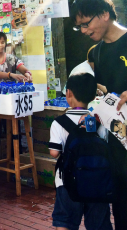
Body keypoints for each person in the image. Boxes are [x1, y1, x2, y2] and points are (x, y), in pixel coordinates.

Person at [71, 0, 127, 229]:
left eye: (86, 23)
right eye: (80, 26)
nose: (84, 31)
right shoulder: (96, 53)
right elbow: (106, 95)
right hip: (117, 140)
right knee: (122, 201)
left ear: (104, 14)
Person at [49, 73, 112, 230]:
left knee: (65, 222)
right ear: (92, 96)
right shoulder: (100, 122)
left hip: (68, 182)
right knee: (99, 225)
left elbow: (54, 153)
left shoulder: (59, 122)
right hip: (98, 182)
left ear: (68, 93)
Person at [0, 31, 32, 172]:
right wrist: (11, 75)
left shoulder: (11, 59)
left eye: (2, 42)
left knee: (12, 129)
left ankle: (16, 160)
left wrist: (27, 73)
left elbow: (22, 68)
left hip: (10, 101)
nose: (0, 45)